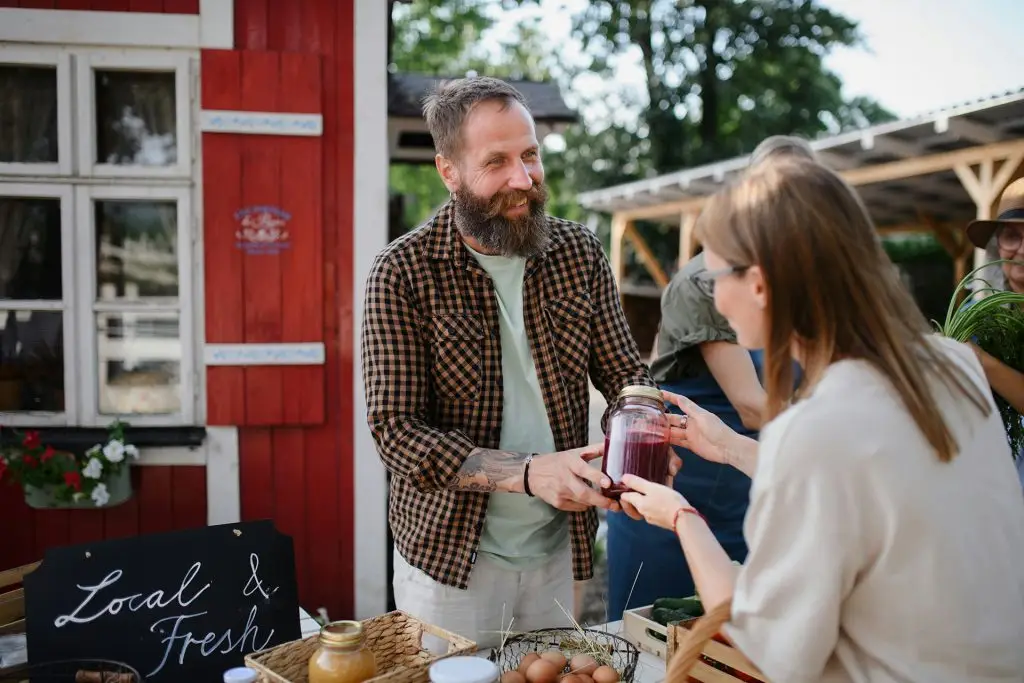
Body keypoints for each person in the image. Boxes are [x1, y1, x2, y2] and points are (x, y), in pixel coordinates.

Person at [619, 157, 1024, 682]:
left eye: (714, 275)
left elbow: (765, 650)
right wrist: (729, 447)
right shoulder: (953, 364)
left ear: (760, 284)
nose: (713, 294)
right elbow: (866, 492)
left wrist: (679, 515)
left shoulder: (817, 425)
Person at [359, 76, 663, 649]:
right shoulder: (401, 272)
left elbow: (626, 375)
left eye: (529, 155)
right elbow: (395, 433)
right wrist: (528, 473)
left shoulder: (578, 251)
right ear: (449, 171)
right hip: (451, 562)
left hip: (558, 548)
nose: (523, 179)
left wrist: (642, 440)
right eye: (496, 161)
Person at [606, 134, 815, 619]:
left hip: (751, 484)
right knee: (655, 638)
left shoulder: (799, 284)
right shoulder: (712, 279)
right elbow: (751, 404)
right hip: (675, 489)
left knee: (729, 644)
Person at [963, 176, 1024, 486]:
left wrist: (980, 361)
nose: (1022, 249)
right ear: (997, 243)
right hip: (989, 483)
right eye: (1012, 236)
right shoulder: (973, 313)